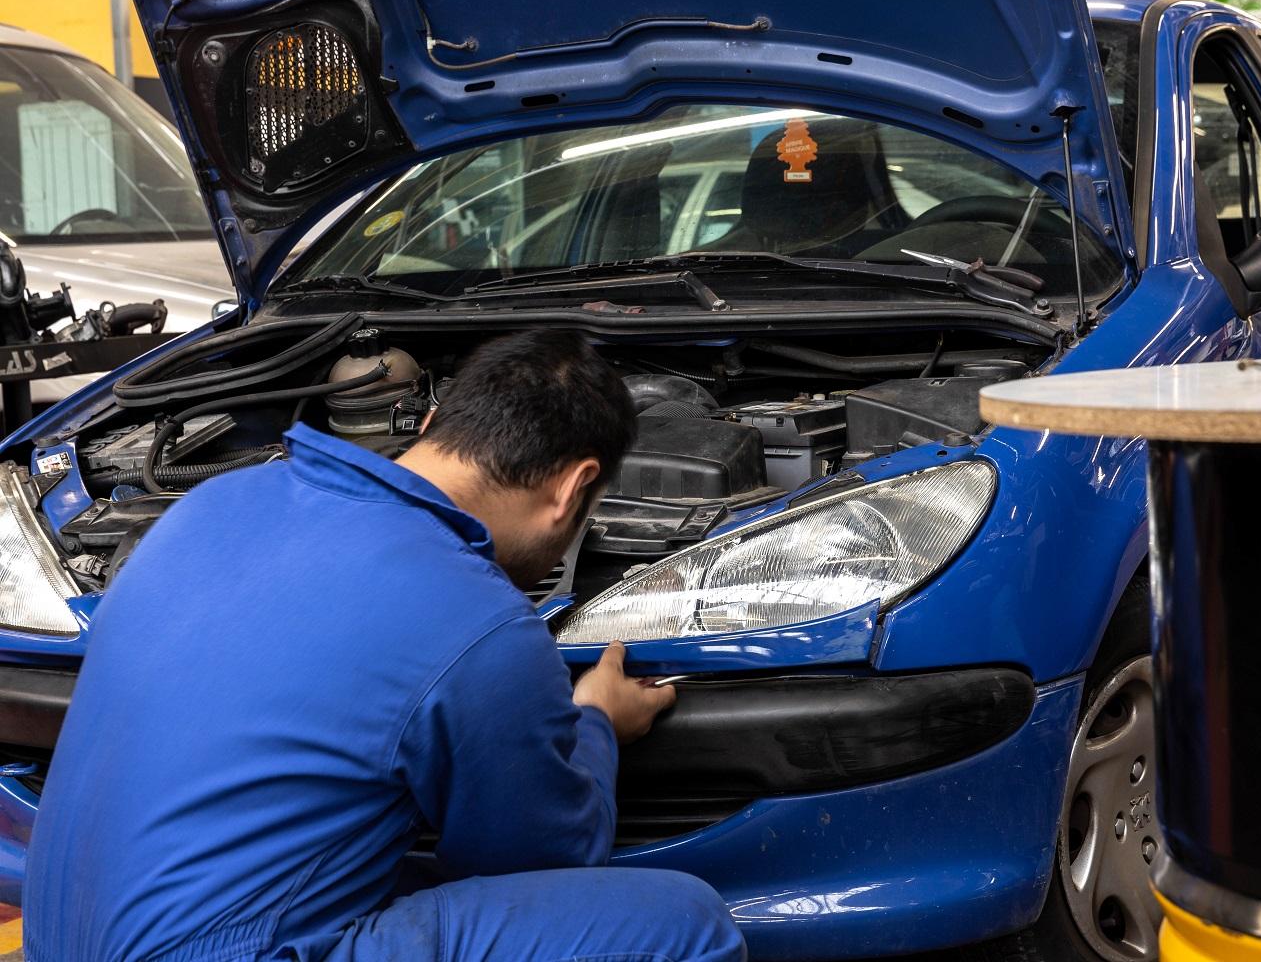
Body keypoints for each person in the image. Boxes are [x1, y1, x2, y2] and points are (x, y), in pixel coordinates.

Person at [23, 329, 746, 962]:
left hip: (61, 939)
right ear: (574, 488)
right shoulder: (480, 621)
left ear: (430, 424)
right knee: (685, 924)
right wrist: (594, 724)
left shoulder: (209, 505)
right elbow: (538, 860)